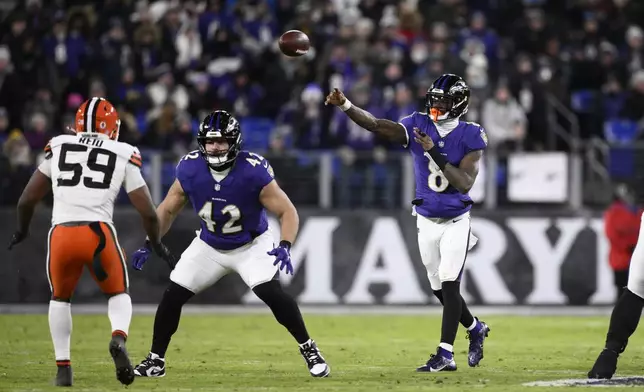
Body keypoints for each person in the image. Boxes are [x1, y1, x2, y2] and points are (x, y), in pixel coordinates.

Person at [130, 110, 330, 378]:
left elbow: (287, 211)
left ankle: (309, 349)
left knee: (271, 293)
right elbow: (166, 210)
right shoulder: (189, 168)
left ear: (234, 141)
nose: (215, 147)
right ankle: (156, 360)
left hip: (251, 245)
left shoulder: (253, 171)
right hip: (209, 244)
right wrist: (149, 242)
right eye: (210, 141)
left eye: (222, 141)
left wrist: (285, 244)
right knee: (173, 295)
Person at [325, 74, 490, 372]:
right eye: (435, 98)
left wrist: (432, 151)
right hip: (426, 217)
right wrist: (346, 105)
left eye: (444, 100)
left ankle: (445, 353)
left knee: (450, 284)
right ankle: (475, 327)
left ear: (459, 104)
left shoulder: (471, 135)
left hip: (456, 219)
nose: (437, 104)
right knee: (438, 288)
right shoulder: (417, 123)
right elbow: (375, 124)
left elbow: (464, 183)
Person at [7, 97, 176, 387]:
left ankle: (63, 370)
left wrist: (21, 231)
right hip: (98, 233)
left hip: (61, 232)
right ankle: (118, 338)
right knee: (118, 293)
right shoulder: (122, 152)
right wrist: (156, 242)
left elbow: (26, 200)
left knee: (60, 299)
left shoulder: (59, 145)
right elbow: (147, 210)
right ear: (111, 127)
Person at [589, 189, 644, 379]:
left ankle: (609, 353)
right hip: (622, 258)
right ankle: (609, 353)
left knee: (636, 288)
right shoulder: (617, 211)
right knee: (634, 287)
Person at [604, 183, 642, 302]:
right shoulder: (615, 212)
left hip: (635, 254)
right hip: (622, 255)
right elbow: (612, 234)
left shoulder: (638, 211)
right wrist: (627, 246)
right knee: (623, 286)